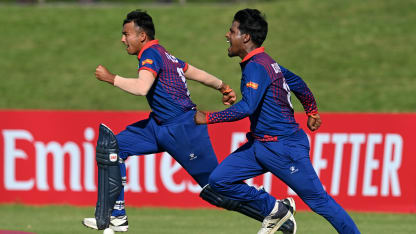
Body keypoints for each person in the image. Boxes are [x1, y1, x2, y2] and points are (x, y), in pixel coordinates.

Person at [194, 8, 361, 234]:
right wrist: (311, 110)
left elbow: (247, 106)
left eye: (232, 31)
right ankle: (276, 209)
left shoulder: (257, 66)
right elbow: (297, 82)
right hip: (260, 145)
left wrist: (209, 118)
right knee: (219, 180)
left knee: (319, 202)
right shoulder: (265, 62)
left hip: (284, 147)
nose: (227, 35)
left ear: (245, 37)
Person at [82, 9, 238, 231]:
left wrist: (111, 78)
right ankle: (117, 215)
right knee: (112, 148)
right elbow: (197, 73)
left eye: (126, 34)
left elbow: (141, 87)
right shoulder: (164, 55)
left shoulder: (151, 54)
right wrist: (223, 86)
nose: (122, 39)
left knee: (217, 189)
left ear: (142, 36)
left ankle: (271, 208)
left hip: (183, 127)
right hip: (159, 125)